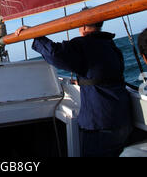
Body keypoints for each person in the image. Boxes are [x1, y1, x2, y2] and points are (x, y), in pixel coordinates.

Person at [15, 12, 133, 157]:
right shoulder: (110, 44)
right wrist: (83, 81)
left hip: (100, 124)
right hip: (123, 117)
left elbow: (55, 54)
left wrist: (35, 35)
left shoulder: (83, 45)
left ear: (82, 25)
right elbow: (104, 75)